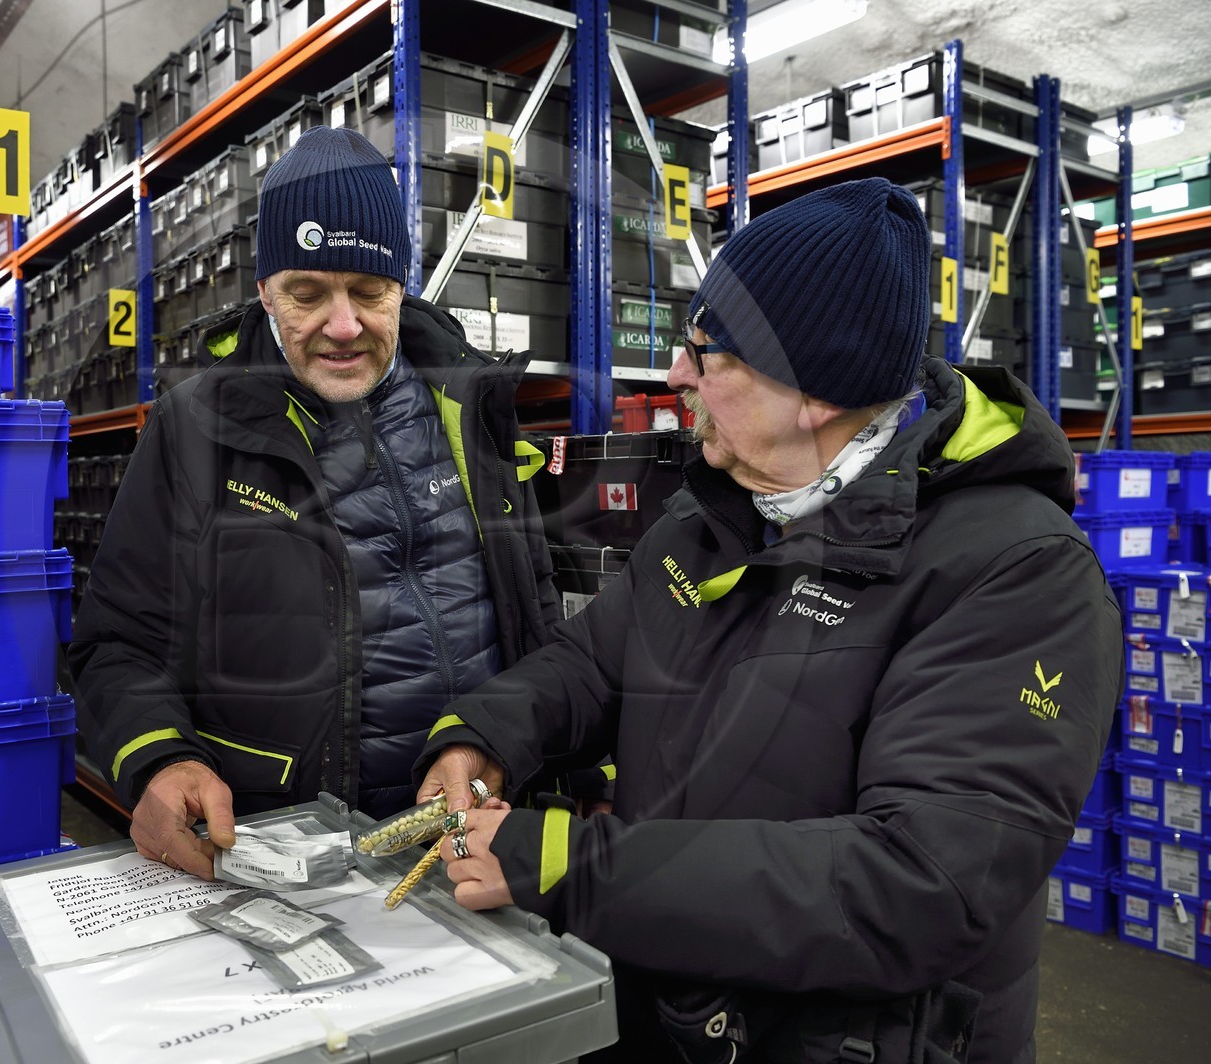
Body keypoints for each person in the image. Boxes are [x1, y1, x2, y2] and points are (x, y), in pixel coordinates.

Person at [417, 178, 1122, 1063]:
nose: (677, 374)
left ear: (814, 390)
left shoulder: (1016, 575)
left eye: (708, 353)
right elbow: (591, 664)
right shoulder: (717, 510)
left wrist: (569, 864)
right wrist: (479, 737)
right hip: (676, 1009)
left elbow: (920, 886)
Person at [69, 126, 562, 880]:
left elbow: (535, 612)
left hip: (474, 843)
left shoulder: (471, 406)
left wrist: (543, 756)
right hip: (285, 855)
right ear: (264, 291)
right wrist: (157, 757)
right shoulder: (197, 428)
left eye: (369, 291)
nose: (343, 325)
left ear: (403, 286)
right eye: (308, 292)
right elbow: (117, 644)